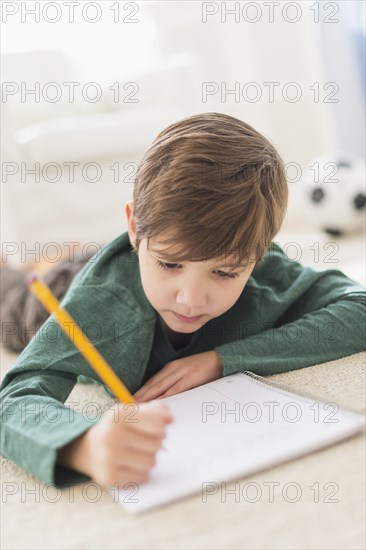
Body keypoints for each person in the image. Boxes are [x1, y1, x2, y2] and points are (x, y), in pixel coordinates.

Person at [1, 112, 365, 491]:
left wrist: (222, 360)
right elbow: (13, 400)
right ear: (134, 226)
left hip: (134, 254)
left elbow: (360, 308)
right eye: (170, 264)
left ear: (259, 255)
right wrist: (84, 446)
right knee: (16, 311)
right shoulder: (99, 305)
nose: (190, 299)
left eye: (224, 273)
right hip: (64, 289)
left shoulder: (265, 270)